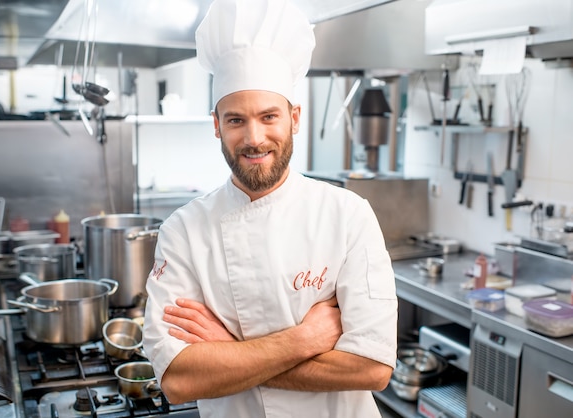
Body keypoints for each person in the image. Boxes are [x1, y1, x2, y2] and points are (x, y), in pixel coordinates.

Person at [142, 0, 398, 416]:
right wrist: (304, 340)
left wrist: (229, 353)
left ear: (294, 118)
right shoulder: (183, 231)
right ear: (216, 125)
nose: (254, 138)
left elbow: (371, 369)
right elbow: (178, 380)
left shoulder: (347, 215)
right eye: (236, 120)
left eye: (269, 116)